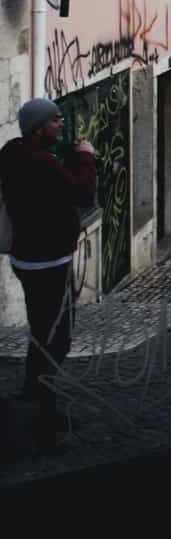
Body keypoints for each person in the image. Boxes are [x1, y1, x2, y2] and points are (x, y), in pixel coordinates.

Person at [0, 98, 97, 452]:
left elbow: (52, 187)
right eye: (55, 120)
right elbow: (83, 194)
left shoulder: (13, 153)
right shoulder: (41, 162)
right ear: (39, 126)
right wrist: (85, 155)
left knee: (43, 334)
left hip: (27, 261)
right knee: (56, 340)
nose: (61, 123)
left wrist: (68, 162)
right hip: (48, 265)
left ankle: (40, 403)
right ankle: (39, 423)